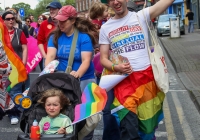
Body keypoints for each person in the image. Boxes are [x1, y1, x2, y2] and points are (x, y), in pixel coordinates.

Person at [99, 0, 174, 139]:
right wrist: (116, 67)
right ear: (108, 3)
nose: (115, 2)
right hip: (124, 84)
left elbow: (164, 3)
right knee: (129, 129)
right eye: (111, 0)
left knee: (147, 129)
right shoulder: (106, 28)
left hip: (146, 81)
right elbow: (103, 58)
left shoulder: (141, 16)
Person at [45, 5, 98, 140]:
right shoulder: (55, 37)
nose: (60, 23)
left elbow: (86, 60)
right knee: (65, 112)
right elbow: (50, 57)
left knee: (87, 115)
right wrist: (47, 72)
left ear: (73, 20)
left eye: (63, 21)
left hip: (84, 79)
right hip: (64, 81)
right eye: (58, 20)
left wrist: (77, 74)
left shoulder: (84, 37)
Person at [2, 11, 29, 125]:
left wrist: (23, 64)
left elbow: (24, 48)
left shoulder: (19, 32)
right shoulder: (1, 34)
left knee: (15, 90)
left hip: (16, 67)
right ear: (3, 21)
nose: (11, 20)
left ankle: (14, 113)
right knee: (6, 91)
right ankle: (9, 110)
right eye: (8, 19)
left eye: (12, 18)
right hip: (3, 67)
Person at [37, 1, 62, 71]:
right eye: (50, 9)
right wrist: (44, 56)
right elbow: (39, 41)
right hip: (49, 58)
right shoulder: (44, 24)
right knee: (48, 80)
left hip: (62, 59)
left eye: (53, 9)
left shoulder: (64, 23)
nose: (51, 11)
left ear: (60, 10)